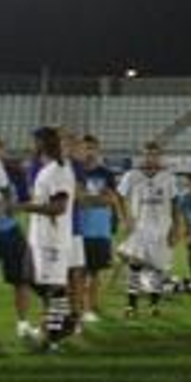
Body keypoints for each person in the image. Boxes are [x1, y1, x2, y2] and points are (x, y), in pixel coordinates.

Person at [16, 126, 79, 348]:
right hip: (41, 237)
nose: (32, 146)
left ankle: (55, 333)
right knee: (38, 281)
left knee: (48, 285)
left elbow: (59, 207)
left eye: (35, 141)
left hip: (51, 239)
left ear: (44, 143)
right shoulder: (48, 169)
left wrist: (24, 207)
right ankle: (63, 324)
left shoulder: (58, 171)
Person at [117, 140, 184, 317]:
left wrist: (176, 228)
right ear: (143, 155)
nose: (151, 158)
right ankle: (131, 305)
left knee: (157, 269)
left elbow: (176, 204)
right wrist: (125, 219)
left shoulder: (168, 177)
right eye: (148, 154)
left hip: (162, 230)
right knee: (134, 266)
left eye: (154, 154)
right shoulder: (132, 175)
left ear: (159, 156)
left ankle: (154, 305)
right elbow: (119, 197)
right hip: (139, 229)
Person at [73, 134, 123, 321]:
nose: (89, 152)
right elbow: (80, 200)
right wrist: (98, 199)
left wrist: (91, 199)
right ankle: (78, 308)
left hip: (100, 230)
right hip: (79, 230)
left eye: (92, 148)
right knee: (79, 272)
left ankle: (91, 308)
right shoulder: (76, 172)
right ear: (80, 150)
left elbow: (111, 199)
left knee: (95, 273)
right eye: (85, 148)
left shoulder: (107, 174)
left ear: (98, 150)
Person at [0, 134, 38, 340]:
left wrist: (5, 209)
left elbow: (8, 196)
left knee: (22, 278)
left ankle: (22, 323)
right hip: (3, 228)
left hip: (8, 229)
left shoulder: (0, 166)